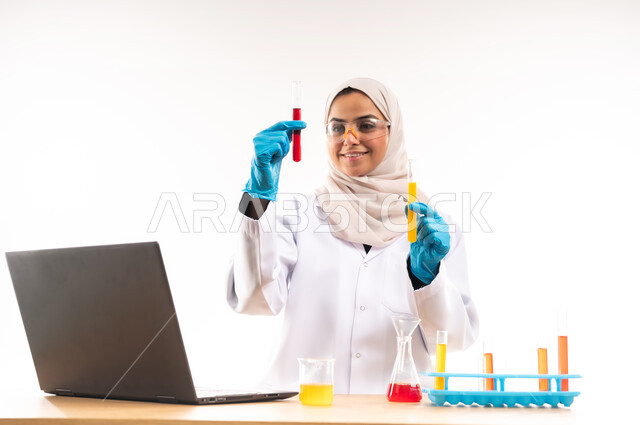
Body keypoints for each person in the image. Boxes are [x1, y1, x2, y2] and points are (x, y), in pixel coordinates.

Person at [226, 77, 479, 394]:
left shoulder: (434, 230)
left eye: (366, 125)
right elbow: (255, 300)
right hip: (303, 411)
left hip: (398, 413)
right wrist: (258, 200)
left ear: (394, 130)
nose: (349, 139)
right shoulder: (297, 215)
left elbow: (454, 340)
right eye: (337, 127)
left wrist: (427, 281)